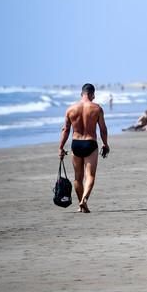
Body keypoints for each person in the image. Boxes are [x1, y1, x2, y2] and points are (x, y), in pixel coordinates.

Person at [58, 83, 110, 213]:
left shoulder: (70, 109)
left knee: (77, 177)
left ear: (82, 94)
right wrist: (105, 143)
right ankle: (84, 200)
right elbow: (103, 129)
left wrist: (61, 147)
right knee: (90, 176)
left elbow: (66, 130)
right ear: (91, 94)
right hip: (90, 143)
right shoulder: (97, 108)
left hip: (76, 144)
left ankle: (80, 203)